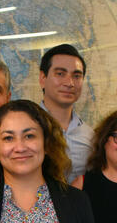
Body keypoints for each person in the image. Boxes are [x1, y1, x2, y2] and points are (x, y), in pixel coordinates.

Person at [39, 44, 94, 182]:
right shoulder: (27, 128)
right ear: (43, 78)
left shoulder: (91, 136)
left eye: (76, 76)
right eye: (60, 74)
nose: (69, 83)